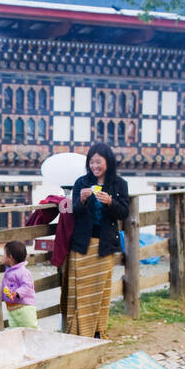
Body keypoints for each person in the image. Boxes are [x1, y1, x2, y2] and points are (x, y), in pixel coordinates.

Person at [63, 143, 129, 338]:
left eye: (98, 162)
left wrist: (111, 202)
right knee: (81, 293)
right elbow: (72, 211)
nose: (95, 166)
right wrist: (81, 201)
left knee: (100, 292)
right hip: (83, 245)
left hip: (104, 245)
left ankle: (97, 331)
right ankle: (78, 332)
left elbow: (124, 212)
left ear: (108, 162)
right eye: (91, 162)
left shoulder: (119, 184)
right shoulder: (81, 183)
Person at [1, 240, 37, 328]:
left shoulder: (23, 272)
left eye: (4, 255)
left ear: (10, 257)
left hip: (24, 308)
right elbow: (5, 286)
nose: (2, 257)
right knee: (14, 333)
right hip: (11, 309)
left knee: (30, 330)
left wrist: (17, 293)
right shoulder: (9, 271)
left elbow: (27, 286)